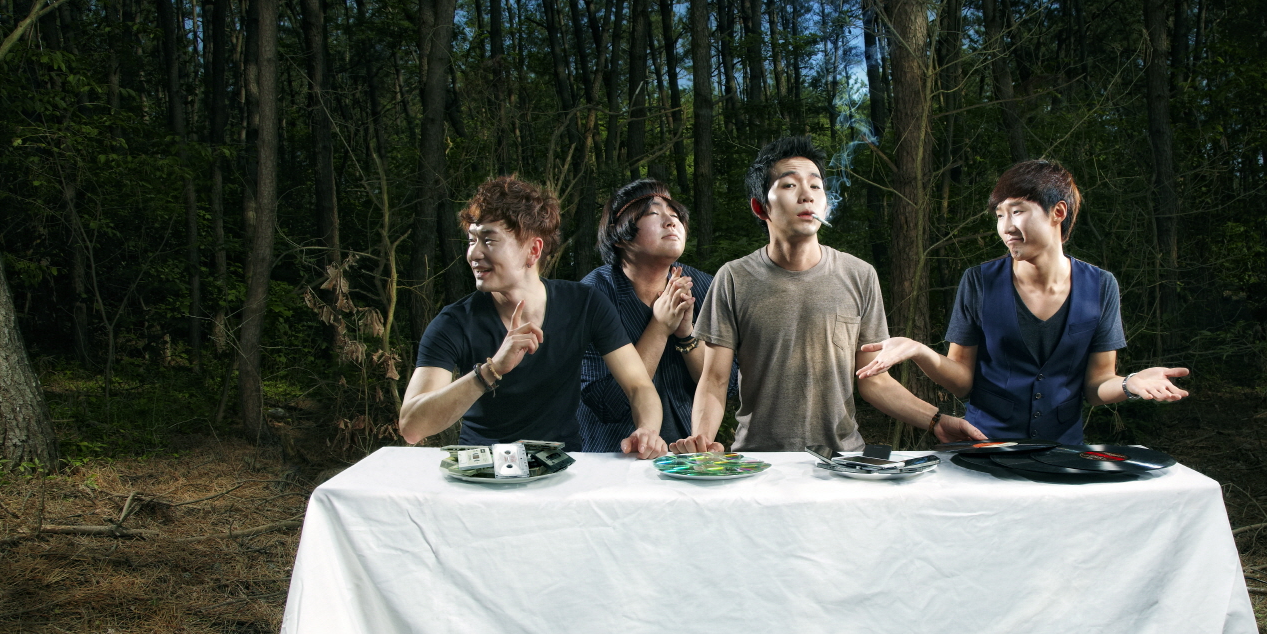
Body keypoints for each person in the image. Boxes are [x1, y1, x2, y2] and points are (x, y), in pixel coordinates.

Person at [671, 136, 984, 455]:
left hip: (843, 460)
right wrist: (701, 442)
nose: (806, 194)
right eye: (789, 185)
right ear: (760, 207)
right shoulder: (733, 278)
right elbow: (714, 380)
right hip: (760, 460)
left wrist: (937, 421)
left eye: (815, 186)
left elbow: (874, 381)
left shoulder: (859, 275)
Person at [856, 158, 1188, 446]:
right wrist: (920, 351)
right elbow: (962, 382)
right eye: (1000, 215)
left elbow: (1096, 385)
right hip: (984, 446)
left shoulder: (1101, 286)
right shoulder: (979, 282)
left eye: (1017, 212)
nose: (1006, 227)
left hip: (1062, 452)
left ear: (1058, 212)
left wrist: (1130, 384)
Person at [398, 175, 667, 457]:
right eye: (471, 240)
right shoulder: (453, 322)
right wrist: (490, 371)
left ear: (533, 250)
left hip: (560, 466)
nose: (473, 254)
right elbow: (412, 427)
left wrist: (647, 430)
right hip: (481, 470)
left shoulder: (585, 304)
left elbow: (639, 386)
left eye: (488, 240)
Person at [577, 179, 732, 449]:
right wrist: (659, 327)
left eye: (675, 215)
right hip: (614, 455)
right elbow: (607, 403)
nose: (671, 222)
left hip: (685, 451)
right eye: (652, 214)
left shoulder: (705, 287)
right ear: (619, 234)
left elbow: (727, 386)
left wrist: (686, 336)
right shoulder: (593, 295)